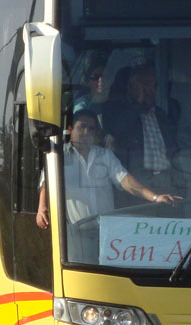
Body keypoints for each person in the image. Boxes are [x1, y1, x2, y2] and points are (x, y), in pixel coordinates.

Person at [36, 109, 181, 260]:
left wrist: (155, 197)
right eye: (82, 127)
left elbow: (125, 180)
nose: (86, 132)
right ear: (71, 129)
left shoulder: (105, 155)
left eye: (91, 128)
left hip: (107, 236)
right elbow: (47, 182)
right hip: (75, 237)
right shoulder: (60, 157)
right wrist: (42, 206)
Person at [102, 65, 182, 202]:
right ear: (132, 86)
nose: (150, 90)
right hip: (136, 186)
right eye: (145, 85)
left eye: (154, 86)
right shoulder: (116, 109)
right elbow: (118, 130)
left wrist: (180, 182)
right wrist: (137, 103)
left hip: (166, 182)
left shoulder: (161, 114)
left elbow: (174, 150)